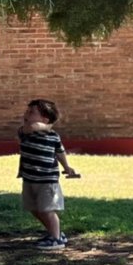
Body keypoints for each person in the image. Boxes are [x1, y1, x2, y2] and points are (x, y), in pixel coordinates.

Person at [16, 97, 81, 249]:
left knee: (47, 210)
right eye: (27, 110)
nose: (26, 114)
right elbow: (34, 127)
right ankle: (55, 233)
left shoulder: (53, 136)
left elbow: (60, 152)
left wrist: (66, 166)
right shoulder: (25, 131)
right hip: (30, 178)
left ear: (45, 119)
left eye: (31, 112)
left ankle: (56, 239)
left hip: (47, 180)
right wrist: (48, 125)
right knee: (34, 209)